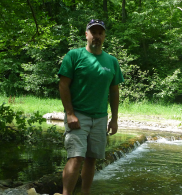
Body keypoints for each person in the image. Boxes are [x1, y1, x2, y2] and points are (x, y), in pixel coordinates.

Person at [58, 19, 124, 195]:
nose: (97, 36)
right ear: (86, 35)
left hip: (101, 117)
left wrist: (114, 119)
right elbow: (63, 85)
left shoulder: (112, 61)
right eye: (93, 32)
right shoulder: (74, 56)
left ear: (104, 36)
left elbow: (114, 91)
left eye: (100, 33)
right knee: (76, 156)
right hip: (78, 115)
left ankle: (85, 193)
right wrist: (70, 113)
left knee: (91, 159)